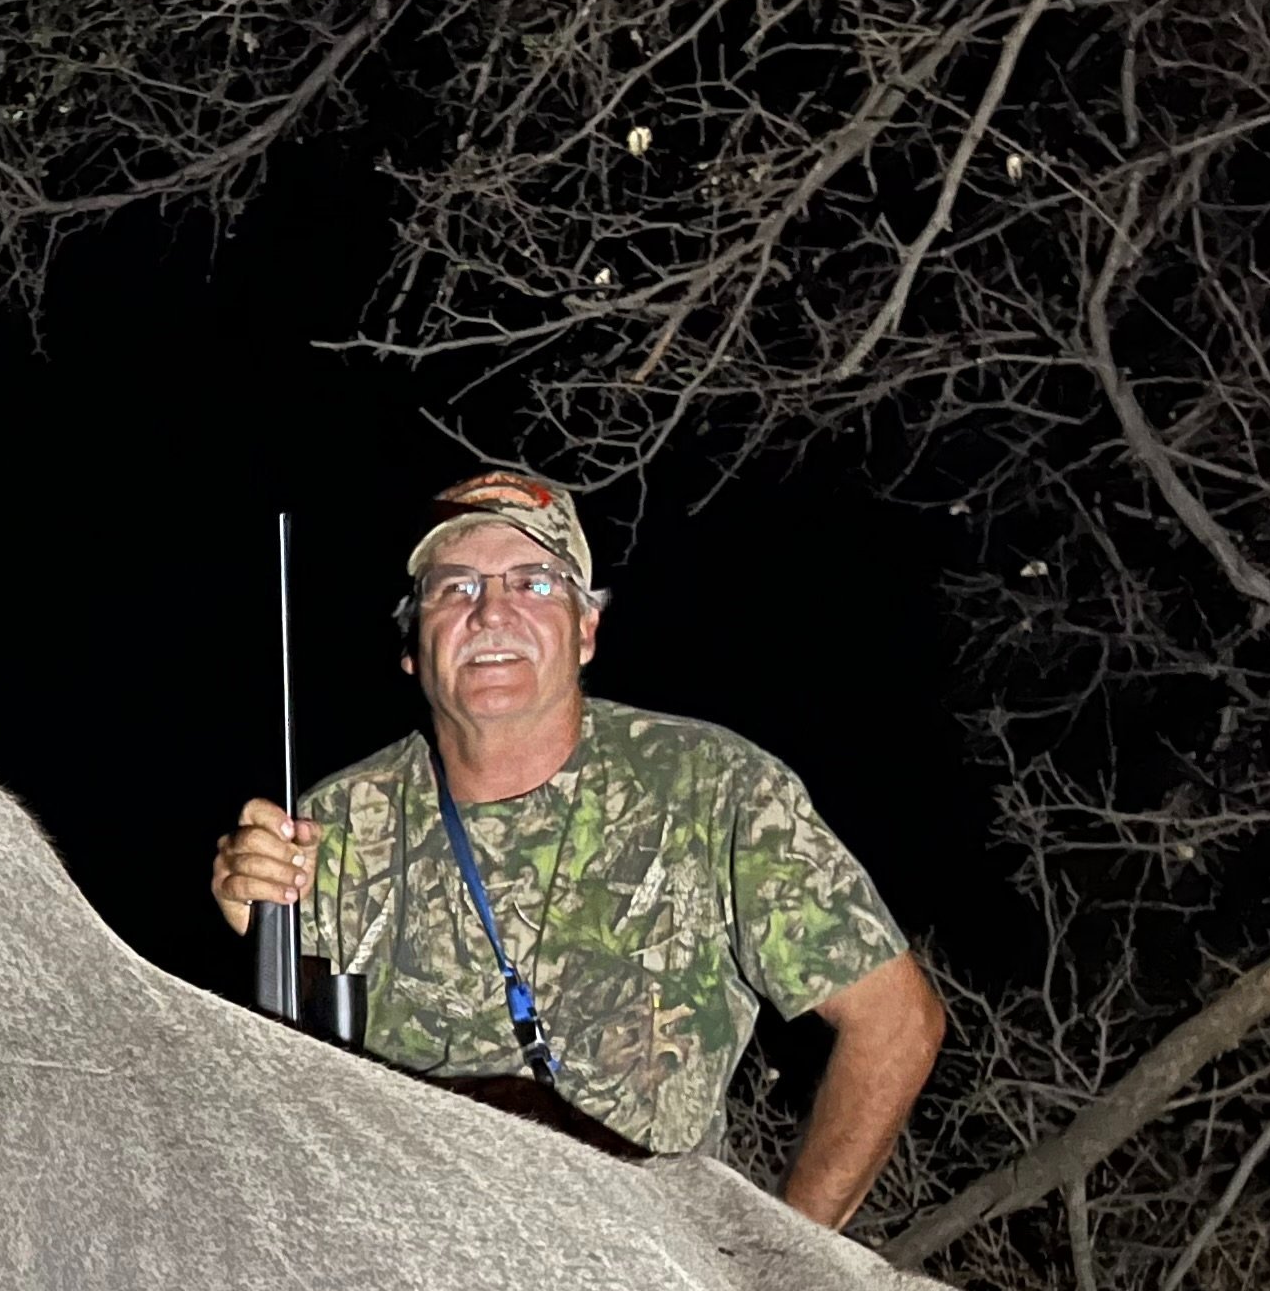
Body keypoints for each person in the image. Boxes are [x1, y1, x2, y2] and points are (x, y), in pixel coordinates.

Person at [210, 468, 946, 1230]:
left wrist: (780, 1268)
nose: (492, 611)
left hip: (649, 1282)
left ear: (587, 630)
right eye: (454, 589)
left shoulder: (717, 788)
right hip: (412, 1265)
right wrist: (254, 923)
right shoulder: (333, 822)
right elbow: (293, 1090)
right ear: (411, 645)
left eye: (532, 583)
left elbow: (894, 1022)